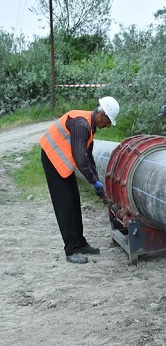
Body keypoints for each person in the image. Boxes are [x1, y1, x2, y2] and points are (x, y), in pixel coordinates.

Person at [39, 96, 120, 264]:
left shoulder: (89, 126)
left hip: (62, 162)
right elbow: (80, 159)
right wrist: (93, 182)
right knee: (65, 205)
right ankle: (71, 249)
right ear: (101, 115)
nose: (108, 125)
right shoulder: (81, 125)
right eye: (108, 121)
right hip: (52, 158)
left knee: (74, 201)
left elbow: (88, 157)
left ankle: (80, 243)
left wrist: (97, 181)